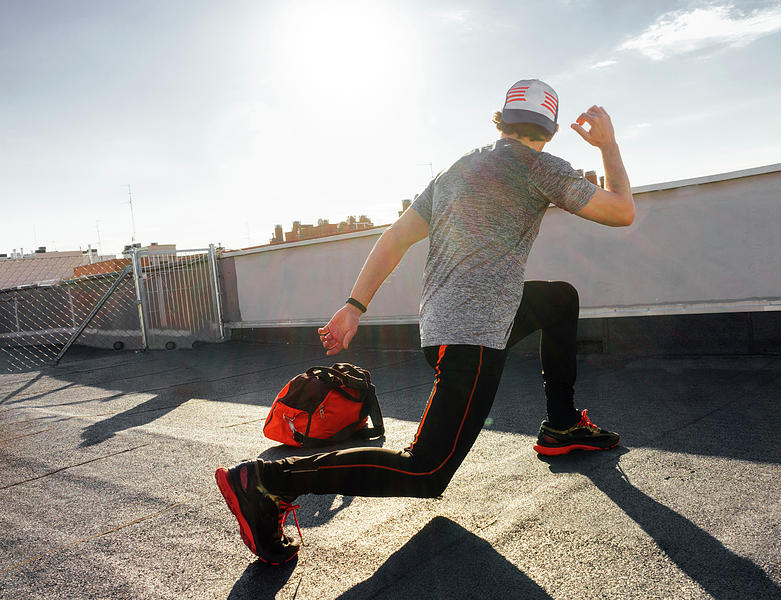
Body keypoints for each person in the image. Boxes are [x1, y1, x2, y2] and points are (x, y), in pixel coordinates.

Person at [215, 79, 635, 564]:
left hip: (443, 323)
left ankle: (562, 425)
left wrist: (354, 305)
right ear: (552, 129)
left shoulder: (459, 168)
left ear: (501, 119)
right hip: (472, 337)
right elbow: (622, 211)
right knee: (426, 470)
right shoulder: (542, 167)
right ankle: (267, 482)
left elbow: (395, 238)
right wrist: (608, 145)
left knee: (559, 298)